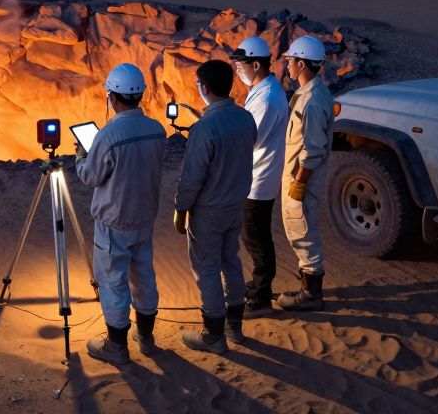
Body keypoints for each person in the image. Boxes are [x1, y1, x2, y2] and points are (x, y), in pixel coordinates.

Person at [75, 62, 168, 364]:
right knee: (143, 276)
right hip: (144, 218)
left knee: (113, 281)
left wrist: (80, 156)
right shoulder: (157, 130)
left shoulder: (107, 135)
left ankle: (116, 347)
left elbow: (91, 176)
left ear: (112, 97)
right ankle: (147, 338)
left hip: (114, 222)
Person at [173, 60, 256, 354]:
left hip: (208, 211)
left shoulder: (204, 128)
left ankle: (213, 335)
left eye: (198, 85)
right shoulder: (247, 119)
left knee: (207, 269)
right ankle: (235, 328)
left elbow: (191, 176)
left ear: (205, 89)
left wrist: (181, 209)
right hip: (236, 205)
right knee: (230, 262)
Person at [231, 36, 289, 318]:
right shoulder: (263, 90)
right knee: (254, 235)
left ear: (256, 64)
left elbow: (250, 139)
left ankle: (261, 298)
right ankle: (258, 286)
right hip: (255, 176)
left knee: (256, 238)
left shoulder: (267, 98)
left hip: (259, 180)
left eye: (241, 65)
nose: (238, 70)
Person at [277, 35, 335, 312]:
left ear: (301, 63)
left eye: (290, 61)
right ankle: (307, 289)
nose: (287, 65)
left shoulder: (311, 101)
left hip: (302, 180)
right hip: (301, 177)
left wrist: (298, 184)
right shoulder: (313, 94)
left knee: (303, 232)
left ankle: (311, 296)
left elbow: (313, 150)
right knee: (301, 230)